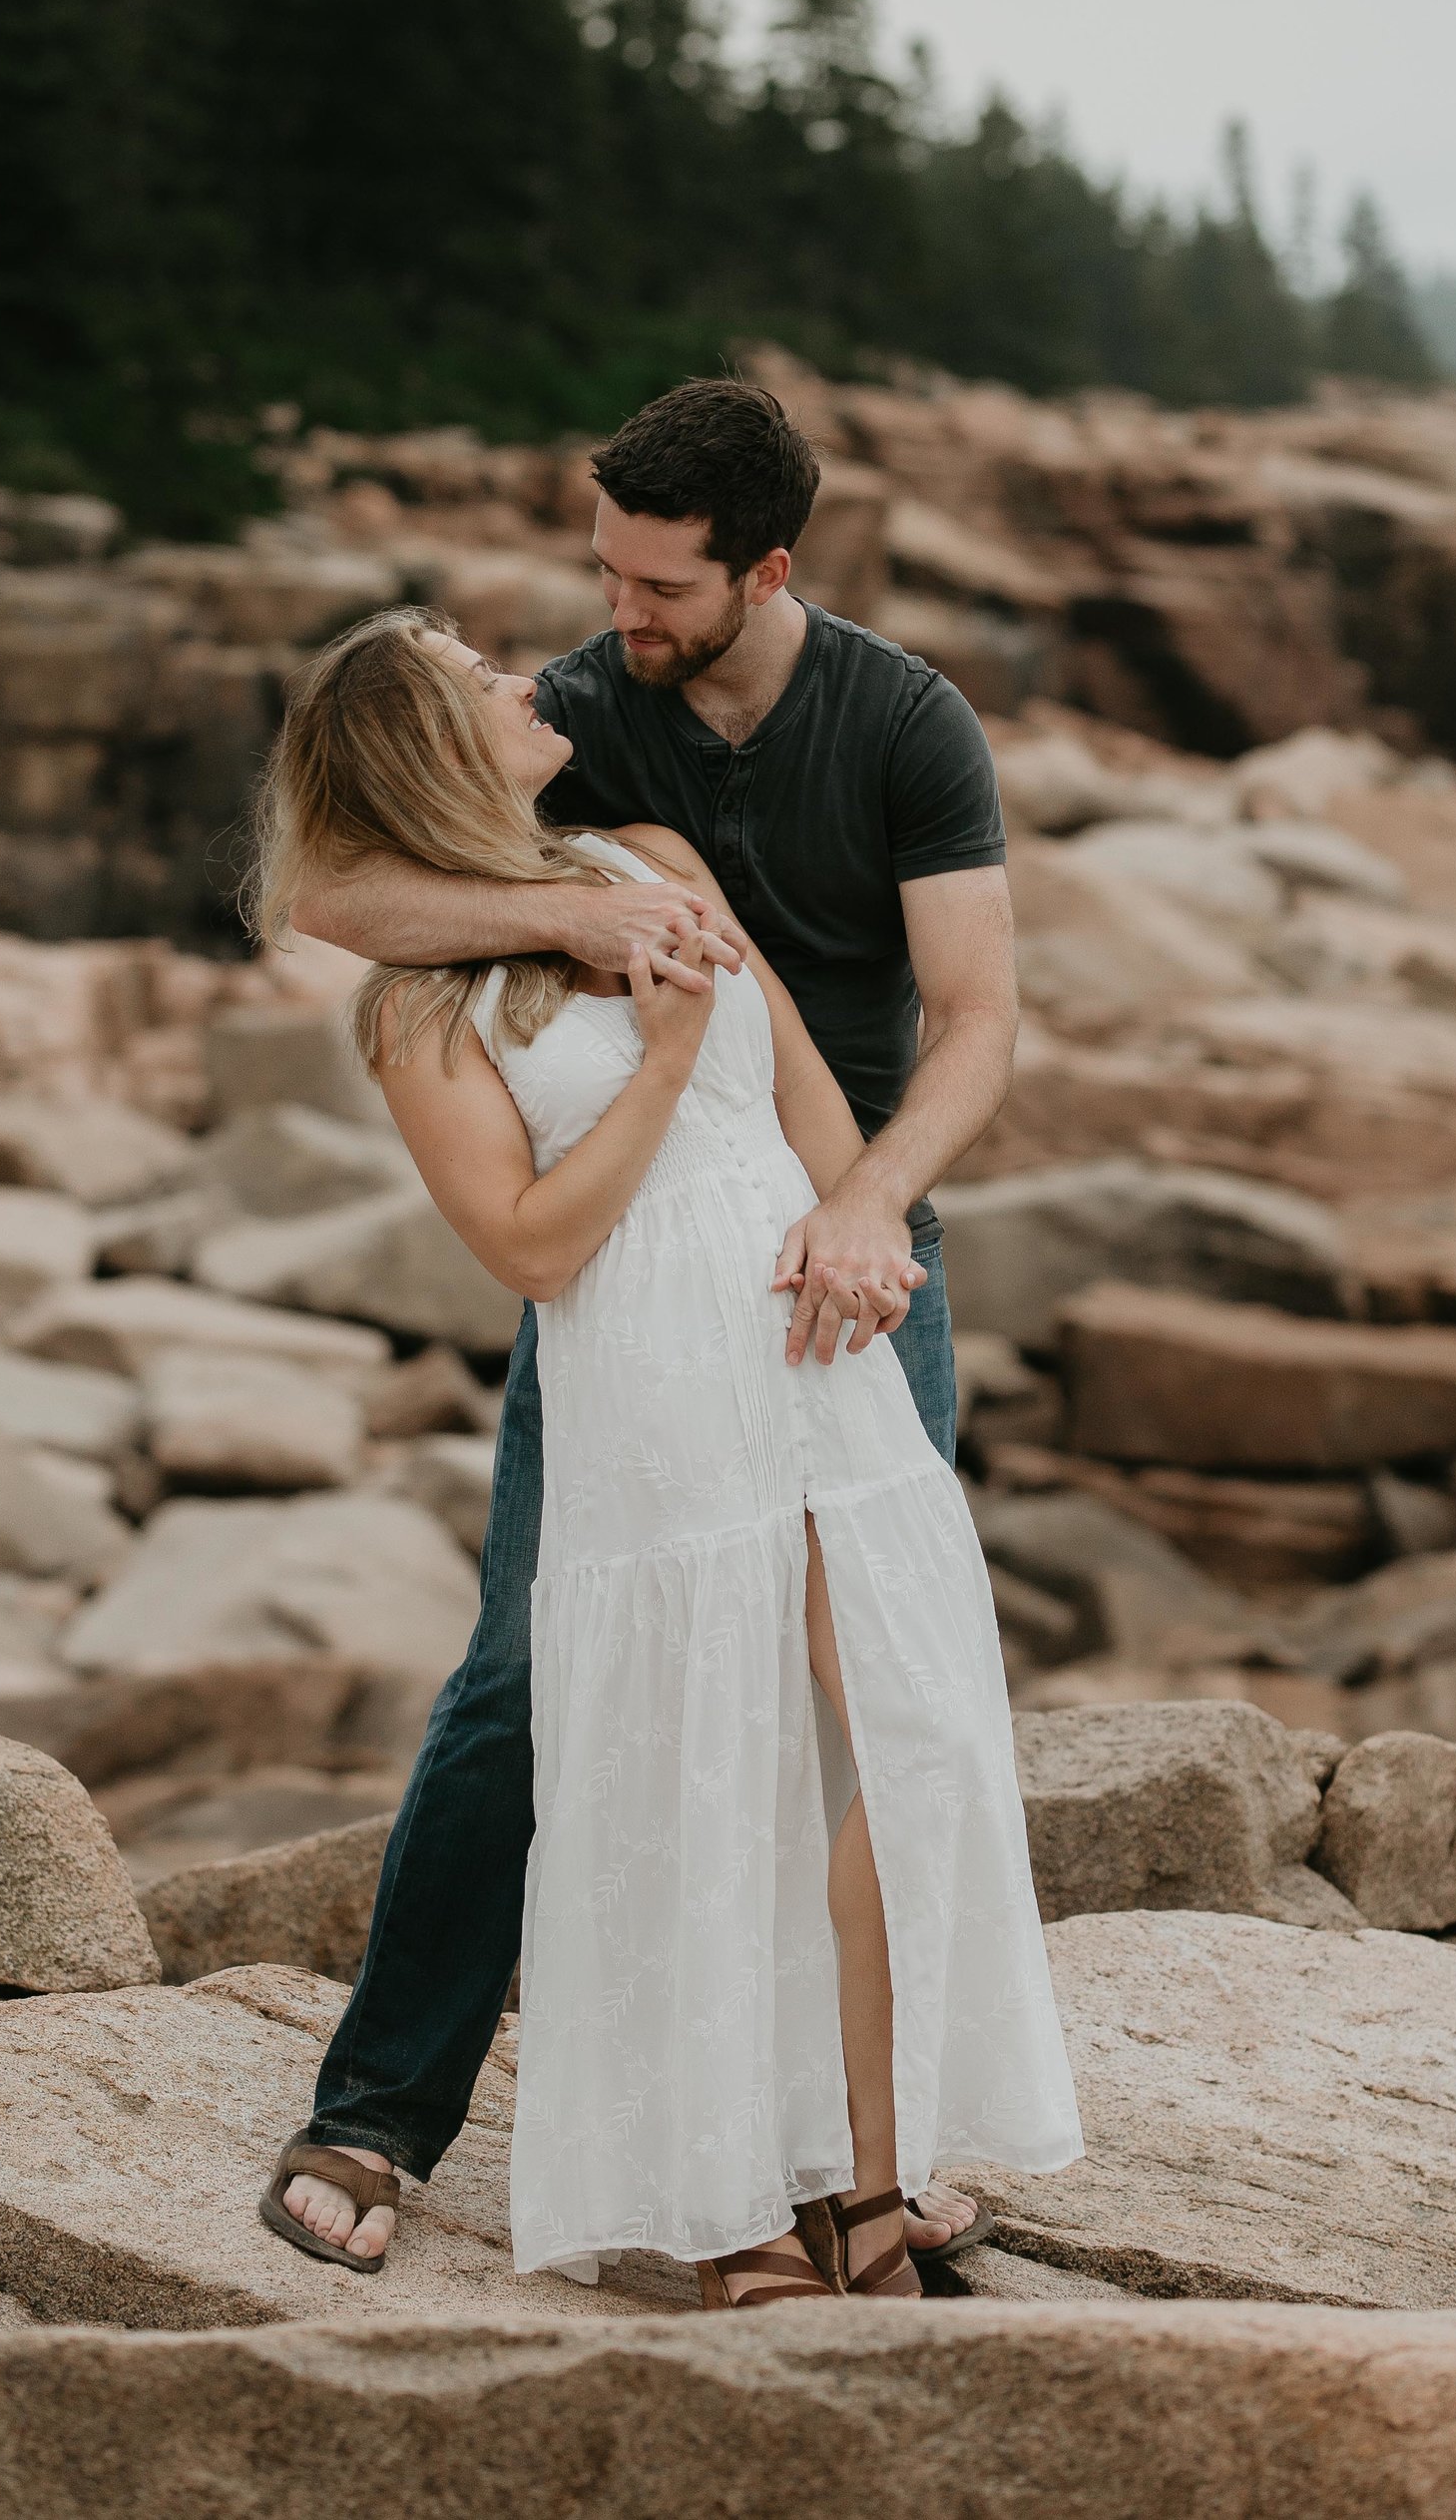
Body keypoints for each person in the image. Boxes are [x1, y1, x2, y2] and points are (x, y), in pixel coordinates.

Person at [269, 374, 1035, 2278]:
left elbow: (984, 1017)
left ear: (762, 569)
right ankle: (380, 2111)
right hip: (635, 1290)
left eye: (653, 583)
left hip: (849, 1237)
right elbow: (332, 875)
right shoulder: (583, 708)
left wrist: (862, 1202)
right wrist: (590, 933)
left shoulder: (901, 719)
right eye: (600, 570)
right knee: (540, 1681)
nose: (609, 613)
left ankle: (872, 2142)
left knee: (881, 1712)